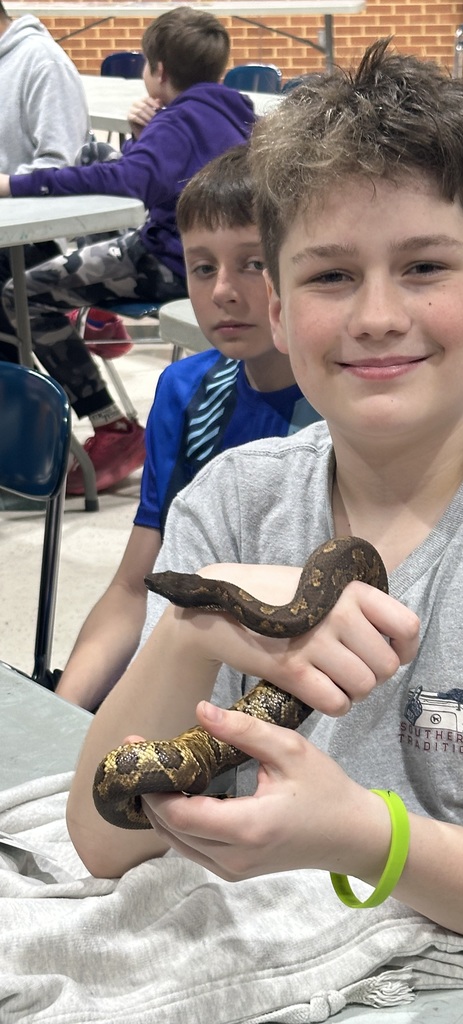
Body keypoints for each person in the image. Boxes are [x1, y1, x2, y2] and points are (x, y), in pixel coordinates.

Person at [66, 40, 463, 1023]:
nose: (376, 314)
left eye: (423, 267)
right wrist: (193, 631)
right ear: (277, 312)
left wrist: (364, 834)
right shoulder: (232, 504)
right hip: (321, 964)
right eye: (329, 277)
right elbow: (104, 838)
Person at [55, 145, 319, 711]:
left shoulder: (338, 414)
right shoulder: (184, 392)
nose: (222, 289)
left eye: (253, 263)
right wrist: (67, 714)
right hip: (182, 682)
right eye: (204, 267)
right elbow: (135, 588)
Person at [0, 6, 256, 495]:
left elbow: (127, 181)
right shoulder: (233, 109)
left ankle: (112, 425)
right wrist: (149, 132)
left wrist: (15, 184)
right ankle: (98, 319)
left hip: (171, 262)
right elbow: (159, 168)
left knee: (20, 295)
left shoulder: (176, 123)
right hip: (207, 256)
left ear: (157, 71)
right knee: (97, 153)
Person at [0, 0, 89, 363]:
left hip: (41, 233)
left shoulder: (42, 63)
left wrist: (6, 185)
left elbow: (60, 167)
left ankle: (99, 409)